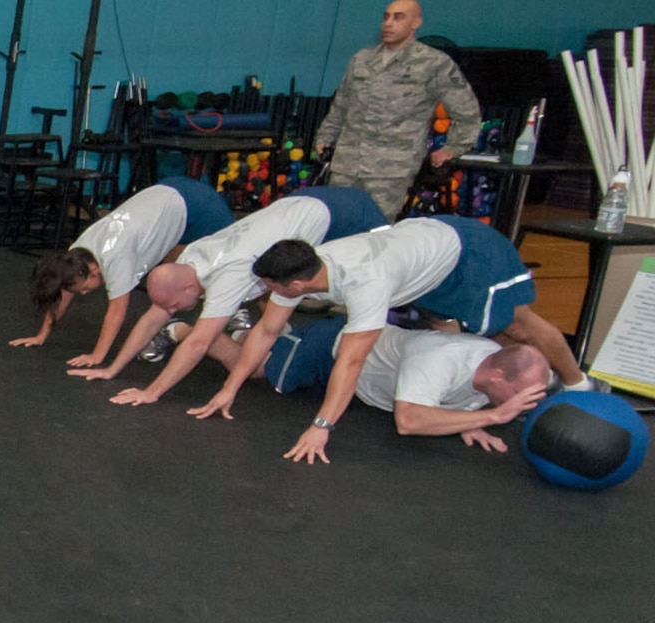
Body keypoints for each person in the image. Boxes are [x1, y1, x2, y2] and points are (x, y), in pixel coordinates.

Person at [188, 216, 590, 463]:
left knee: (517, 327)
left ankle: (577, 384)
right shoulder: (306, 266)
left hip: (467, 256)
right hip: (422, 256)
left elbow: (351, 361)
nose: (263, 290)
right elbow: (267, 329)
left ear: (295, 284)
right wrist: (229, 389)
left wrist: (321, 426)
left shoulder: (366, 284)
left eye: (268, 286)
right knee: (449, 339)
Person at [68, 186, 389, 403]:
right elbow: (153, 315)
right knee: (274, 308)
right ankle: (267, 331)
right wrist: (113, 369)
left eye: (176, 307)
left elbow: (199, 343)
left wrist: (152, 392)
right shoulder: (192, 257)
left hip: (346, 215)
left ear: (190, 289)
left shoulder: (228, 278)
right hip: (302, 204)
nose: (172, 308)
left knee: (385, 285)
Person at [195, 316, 550, 457]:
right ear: (497, 378)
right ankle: (189, 332)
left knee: (265, 350)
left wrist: (471, 420)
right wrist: (492, 417)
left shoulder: (494, 361)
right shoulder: (439, 361)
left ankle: (255, 332)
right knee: (254, 369)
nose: (528, 405)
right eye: (524, 396)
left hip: (370, 376)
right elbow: (408, 421)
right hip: (333, 351)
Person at [9, 178, 232, 366]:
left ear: (95, 271)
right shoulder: (78, 254)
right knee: (176, 269)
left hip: (202, 206)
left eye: (85, 288)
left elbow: (116, 312)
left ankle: (235, 310)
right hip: (170, 194)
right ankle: (174, 323)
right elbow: (65, 291)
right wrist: (42, 335)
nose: (84, 293)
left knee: (237, 270)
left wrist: (97, 356)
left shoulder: (116, 258)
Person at [313, 0, 481, 220]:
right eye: (386, 16)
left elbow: (466, 110)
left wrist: (454, 147)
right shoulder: (362, 60)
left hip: (391, 170)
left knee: (374, 232)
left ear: (416, 23)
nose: (389, 23)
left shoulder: (434, 63)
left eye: (398, 17)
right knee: (337, 224)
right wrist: (326, 136)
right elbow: (341, 105)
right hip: (347, 163)